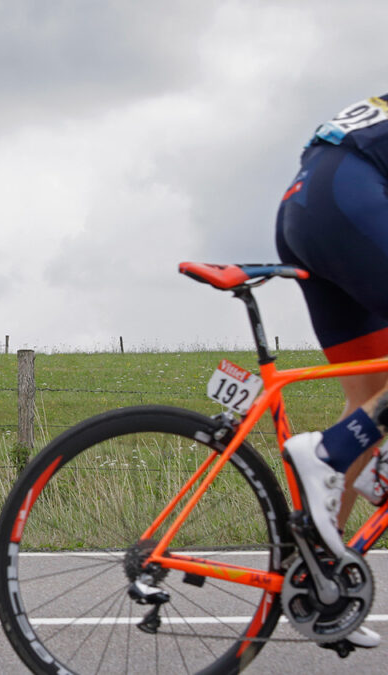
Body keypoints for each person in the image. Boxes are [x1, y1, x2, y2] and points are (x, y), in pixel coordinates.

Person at [276, 93, 388, 650]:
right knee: (352, 435)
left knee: (369, 396)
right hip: (348, 199)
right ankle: (329, 453)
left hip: (313, 199)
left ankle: (321, 584)